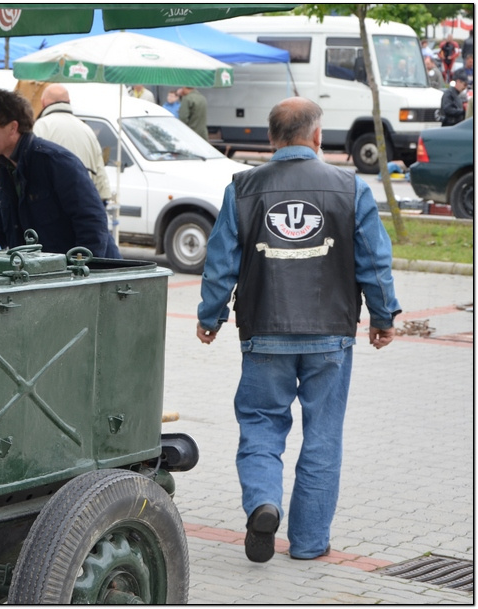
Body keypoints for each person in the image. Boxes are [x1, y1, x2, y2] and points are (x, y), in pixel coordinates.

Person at [196, 97, 400, 564]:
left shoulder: (242, 188)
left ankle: (264, 502)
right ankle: (308, 544)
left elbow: (220, 262)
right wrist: (383, 318)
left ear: (270, 139)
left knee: (262, 426)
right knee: (323, 435)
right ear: (316, 136)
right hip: (331, 333)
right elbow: (374, 260)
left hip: (264, 330)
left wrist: (211, 317)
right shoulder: (351, 188)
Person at [0, 89, 119, 259]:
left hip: (82, 275)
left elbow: (92, 221)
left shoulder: (55, 162)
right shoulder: (4, 168)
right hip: (42, 274)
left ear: (13, 128)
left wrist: (82, 272)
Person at [33, 83, 112, 204]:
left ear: (43, 102)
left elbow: (32, 170)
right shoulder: (87, 130)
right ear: (68, 101)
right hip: (84, 206)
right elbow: (100, 175)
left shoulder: (40, 127)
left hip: (52, 208)